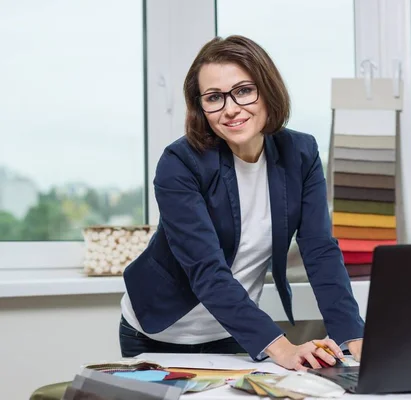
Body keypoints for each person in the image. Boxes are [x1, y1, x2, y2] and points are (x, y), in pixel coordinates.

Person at [119, 35, 364, 371]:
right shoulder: (179, 163)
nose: (231, 109)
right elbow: (206, 270)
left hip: (235, 331)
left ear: (267, 90)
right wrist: (283, 348)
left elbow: (320, 250)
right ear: (200, 106)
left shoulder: (301, 154)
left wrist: (354, 336)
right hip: (157, 334)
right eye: (214, 97)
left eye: (244, 91)